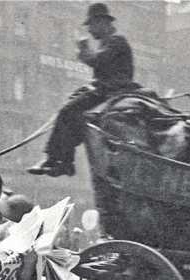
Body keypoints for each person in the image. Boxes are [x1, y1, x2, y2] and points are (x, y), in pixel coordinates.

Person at [28, 2, 135, 177]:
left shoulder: (117, 41)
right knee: (71, 112)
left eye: (91, 25)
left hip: (112, 90)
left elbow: (97, 61)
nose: (90, 31)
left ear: (102, 22)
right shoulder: (109, 42)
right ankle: (63, 162)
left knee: (67, 111)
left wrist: (83, 48)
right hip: (107, 89)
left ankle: (55, 159)